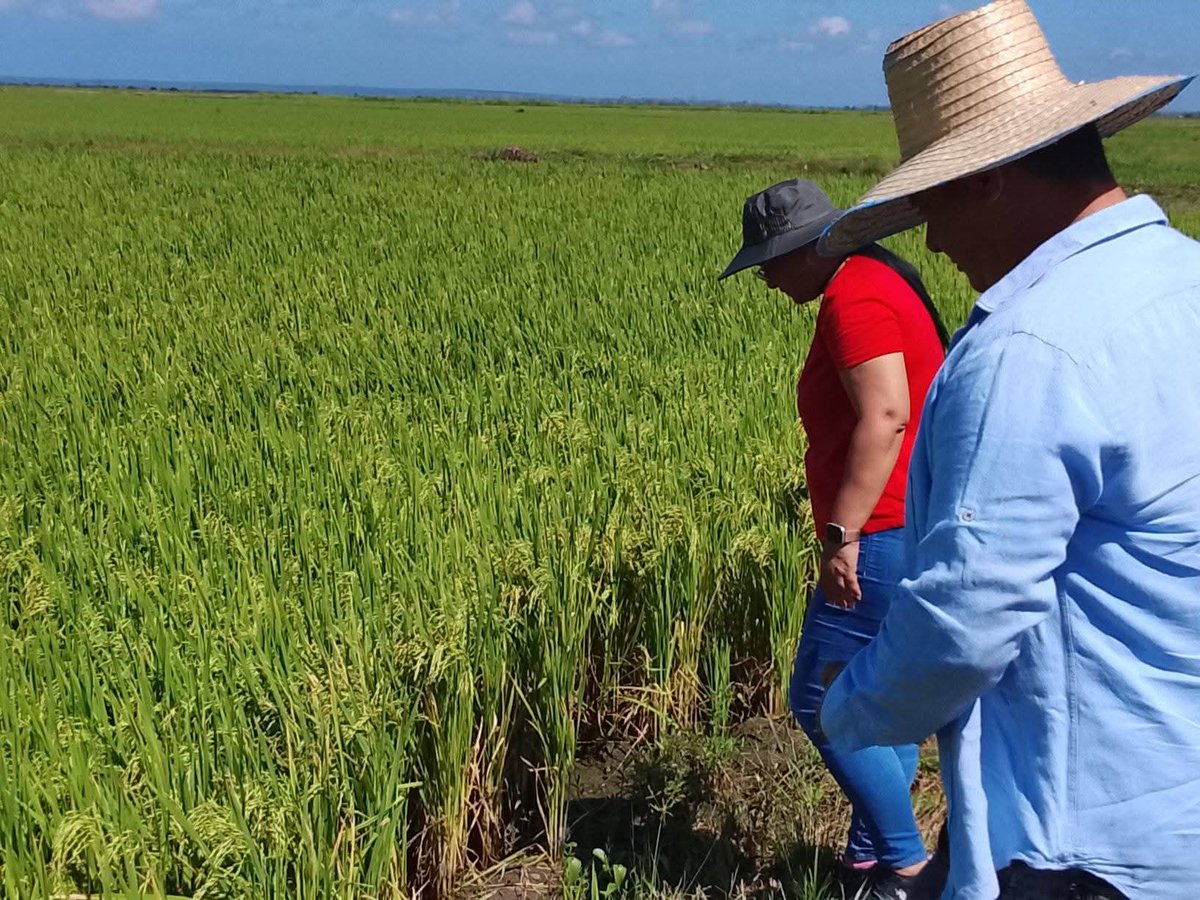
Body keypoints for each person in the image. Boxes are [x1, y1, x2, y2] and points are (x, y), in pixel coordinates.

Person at [815, 1, 1199, 898]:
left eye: (933, 202)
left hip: (1087, 843)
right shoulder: (1182, 279)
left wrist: (853, 703)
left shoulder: (1029, 347)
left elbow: (965, 618)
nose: (935, 241)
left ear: (988, 177)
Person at [720, 178, 947, 898]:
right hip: (911, 518)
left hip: (880, 529)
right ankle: (865, 863)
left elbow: (886, 417)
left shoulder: (857, 297)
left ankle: (906, 867)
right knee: (887, 699)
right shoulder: (873, 278)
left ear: (808, 247)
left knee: (824, 699)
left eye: (768, 261)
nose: (765, 278)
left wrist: (840, 535)